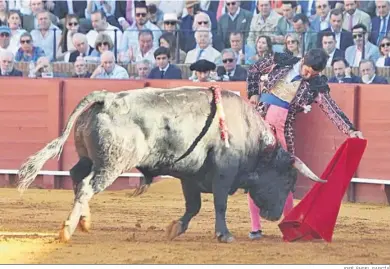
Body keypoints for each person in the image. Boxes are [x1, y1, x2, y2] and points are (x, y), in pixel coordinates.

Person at [246, 48, 364, 240]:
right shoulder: (281, 60)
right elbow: (254, 69)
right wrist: (253, 93)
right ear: (303, 59)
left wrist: (350, 130)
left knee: (285, 176)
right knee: (255, 174)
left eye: (313, 74)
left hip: (284, 131)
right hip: (260, 124)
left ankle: (289, 224)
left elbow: (331, 109)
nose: (308, 75)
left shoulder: (316, 85)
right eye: (307, 70)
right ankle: (255, 227)